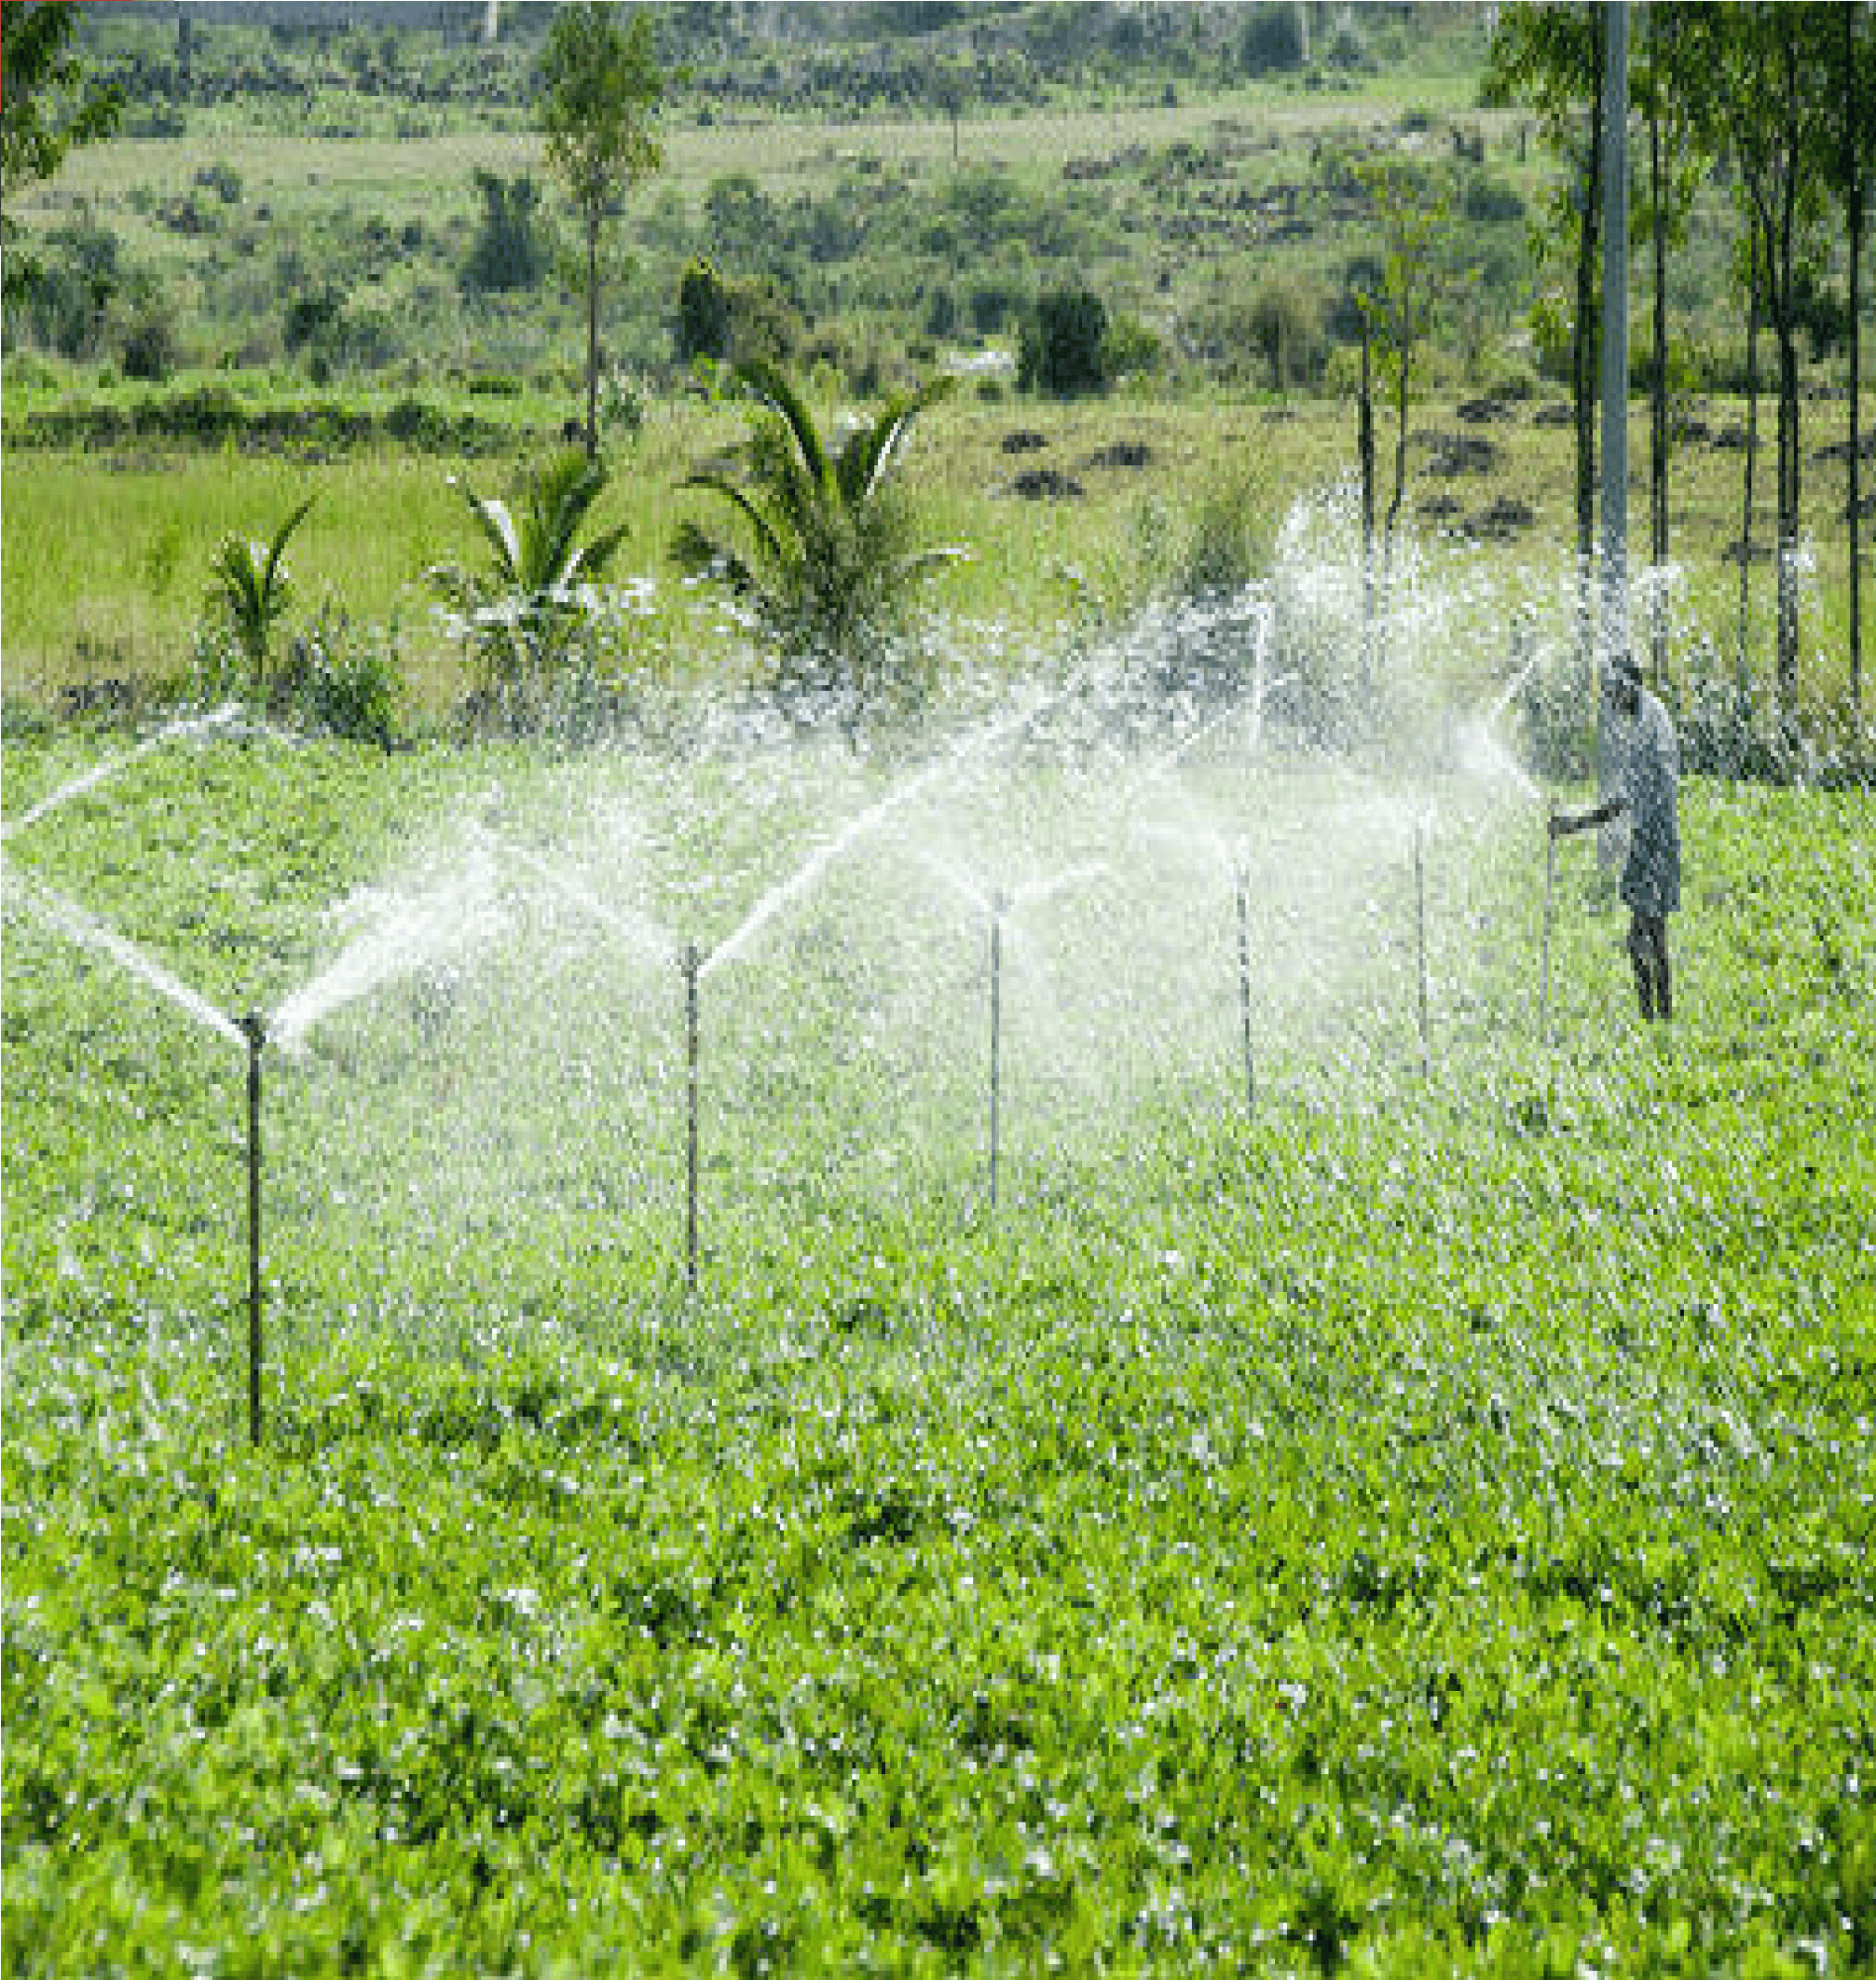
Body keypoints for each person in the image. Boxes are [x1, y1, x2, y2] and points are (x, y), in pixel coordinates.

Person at [1548, 654, 1681, 1021]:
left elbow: (1619, 804)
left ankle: (1653, 1019)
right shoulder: (1651, 712)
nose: (1609, 700)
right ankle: (1660, 1018)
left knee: (1643, 938)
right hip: (1656, 837)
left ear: (1627, 686)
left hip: (1654, 842)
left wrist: (1573, 824)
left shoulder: (1644, 729)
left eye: (1612, 691)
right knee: (1651, 936)